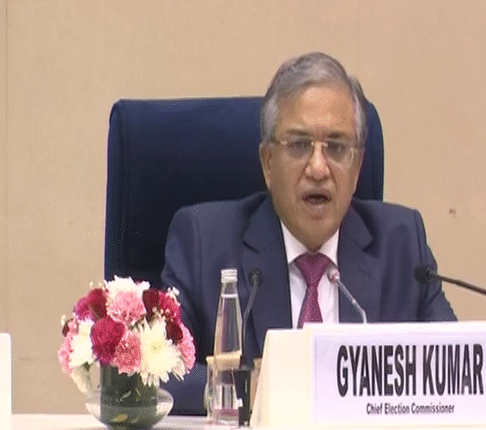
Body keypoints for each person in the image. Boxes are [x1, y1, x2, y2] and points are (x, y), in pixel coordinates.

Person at [161, 52, 456, 415]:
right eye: (300, 145)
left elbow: (453, 369)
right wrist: (255, 389)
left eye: (337, 148)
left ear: (357, 166)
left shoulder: (402, 245)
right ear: (268, 163)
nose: (318, 168)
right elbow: (162, 375)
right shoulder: (204, 243)